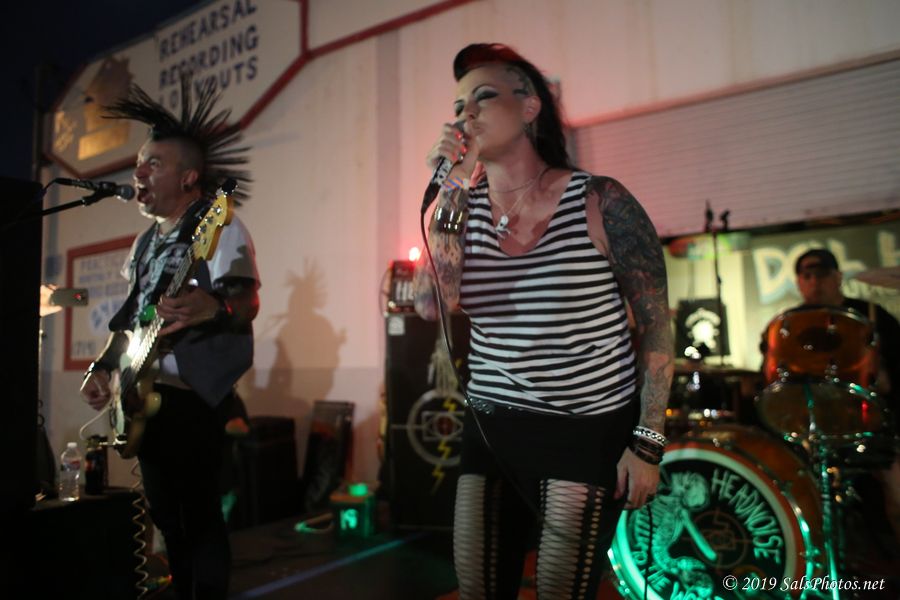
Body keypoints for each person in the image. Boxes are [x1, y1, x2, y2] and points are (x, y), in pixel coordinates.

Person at [413, 43, 674, 599]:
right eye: (458, 106)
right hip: (492, 425)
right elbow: (433, 304)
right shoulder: (462, 208)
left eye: (484, 96)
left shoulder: (599, 200)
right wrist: (452, 186)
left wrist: (648, 442)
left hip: (583, 430)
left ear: (530, 106)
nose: (466, 114)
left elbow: (656, 324)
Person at [79, 78, 260, 600]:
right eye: (139, 164)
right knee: (167, 518)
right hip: (146, 394)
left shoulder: (218, 225)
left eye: (152, 164)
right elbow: (130, 319)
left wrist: (215, 307)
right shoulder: (143, 243)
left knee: (197, 516)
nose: (138, 174)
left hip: (194, 398)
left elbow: (246, 300)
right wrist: (103, 369)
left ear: (188, 177)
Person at [767, 248, 900, 554]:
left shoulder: (871, 314)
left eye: (823, 274)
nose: (815, 282)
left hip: (870, 422)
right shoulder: (789, 323)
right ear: (799, 282)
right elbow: (773, 376)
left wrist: (883, 376)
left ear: (838, 277)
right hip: (811, 427)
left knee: (897, 497)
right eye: (807, 276)